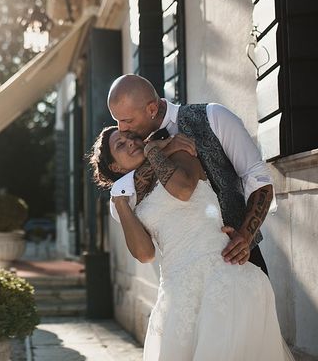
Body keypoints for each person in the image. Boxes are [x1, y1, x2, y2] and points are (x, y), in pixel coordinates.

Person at [89, 126, 293, 360]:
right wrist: (121, 203)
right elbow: (145, 254)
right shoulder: (127, 199)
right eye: (121, 145)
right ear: (114, 166)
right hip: (176, 295)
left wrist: (155, 150)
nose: (132, 143)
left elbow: (184, 191)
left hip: (222, 276)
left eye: (132, 137)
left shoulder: (178, 153)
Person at [107, 74, 274, 273]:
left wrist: (246, 236)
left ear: (152, 109)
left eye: (126, 120)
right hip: (182, 277)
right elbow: (122, 200)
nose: (121, 129)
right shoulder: (134, 153)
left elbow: (258, 177)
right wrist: (157, 150)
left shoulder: (214, 116)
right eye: (117, 121)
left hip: (239, 261)